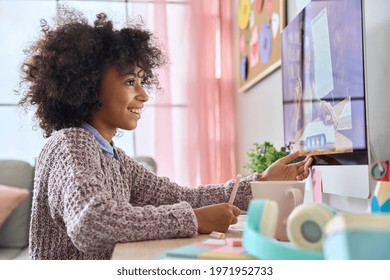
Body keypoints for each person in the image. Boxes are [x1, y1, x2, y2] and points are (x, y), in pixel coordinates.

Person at [18, 7, 312, 260]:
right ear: (87, 84)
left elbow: (180, 196)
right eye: (130, 81)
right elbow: (92, 222)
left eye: (142, 81)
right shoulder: (70, 144)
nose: (144, 95)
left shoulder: (113, 158)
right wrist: (193, 219)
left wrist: (260, 183)